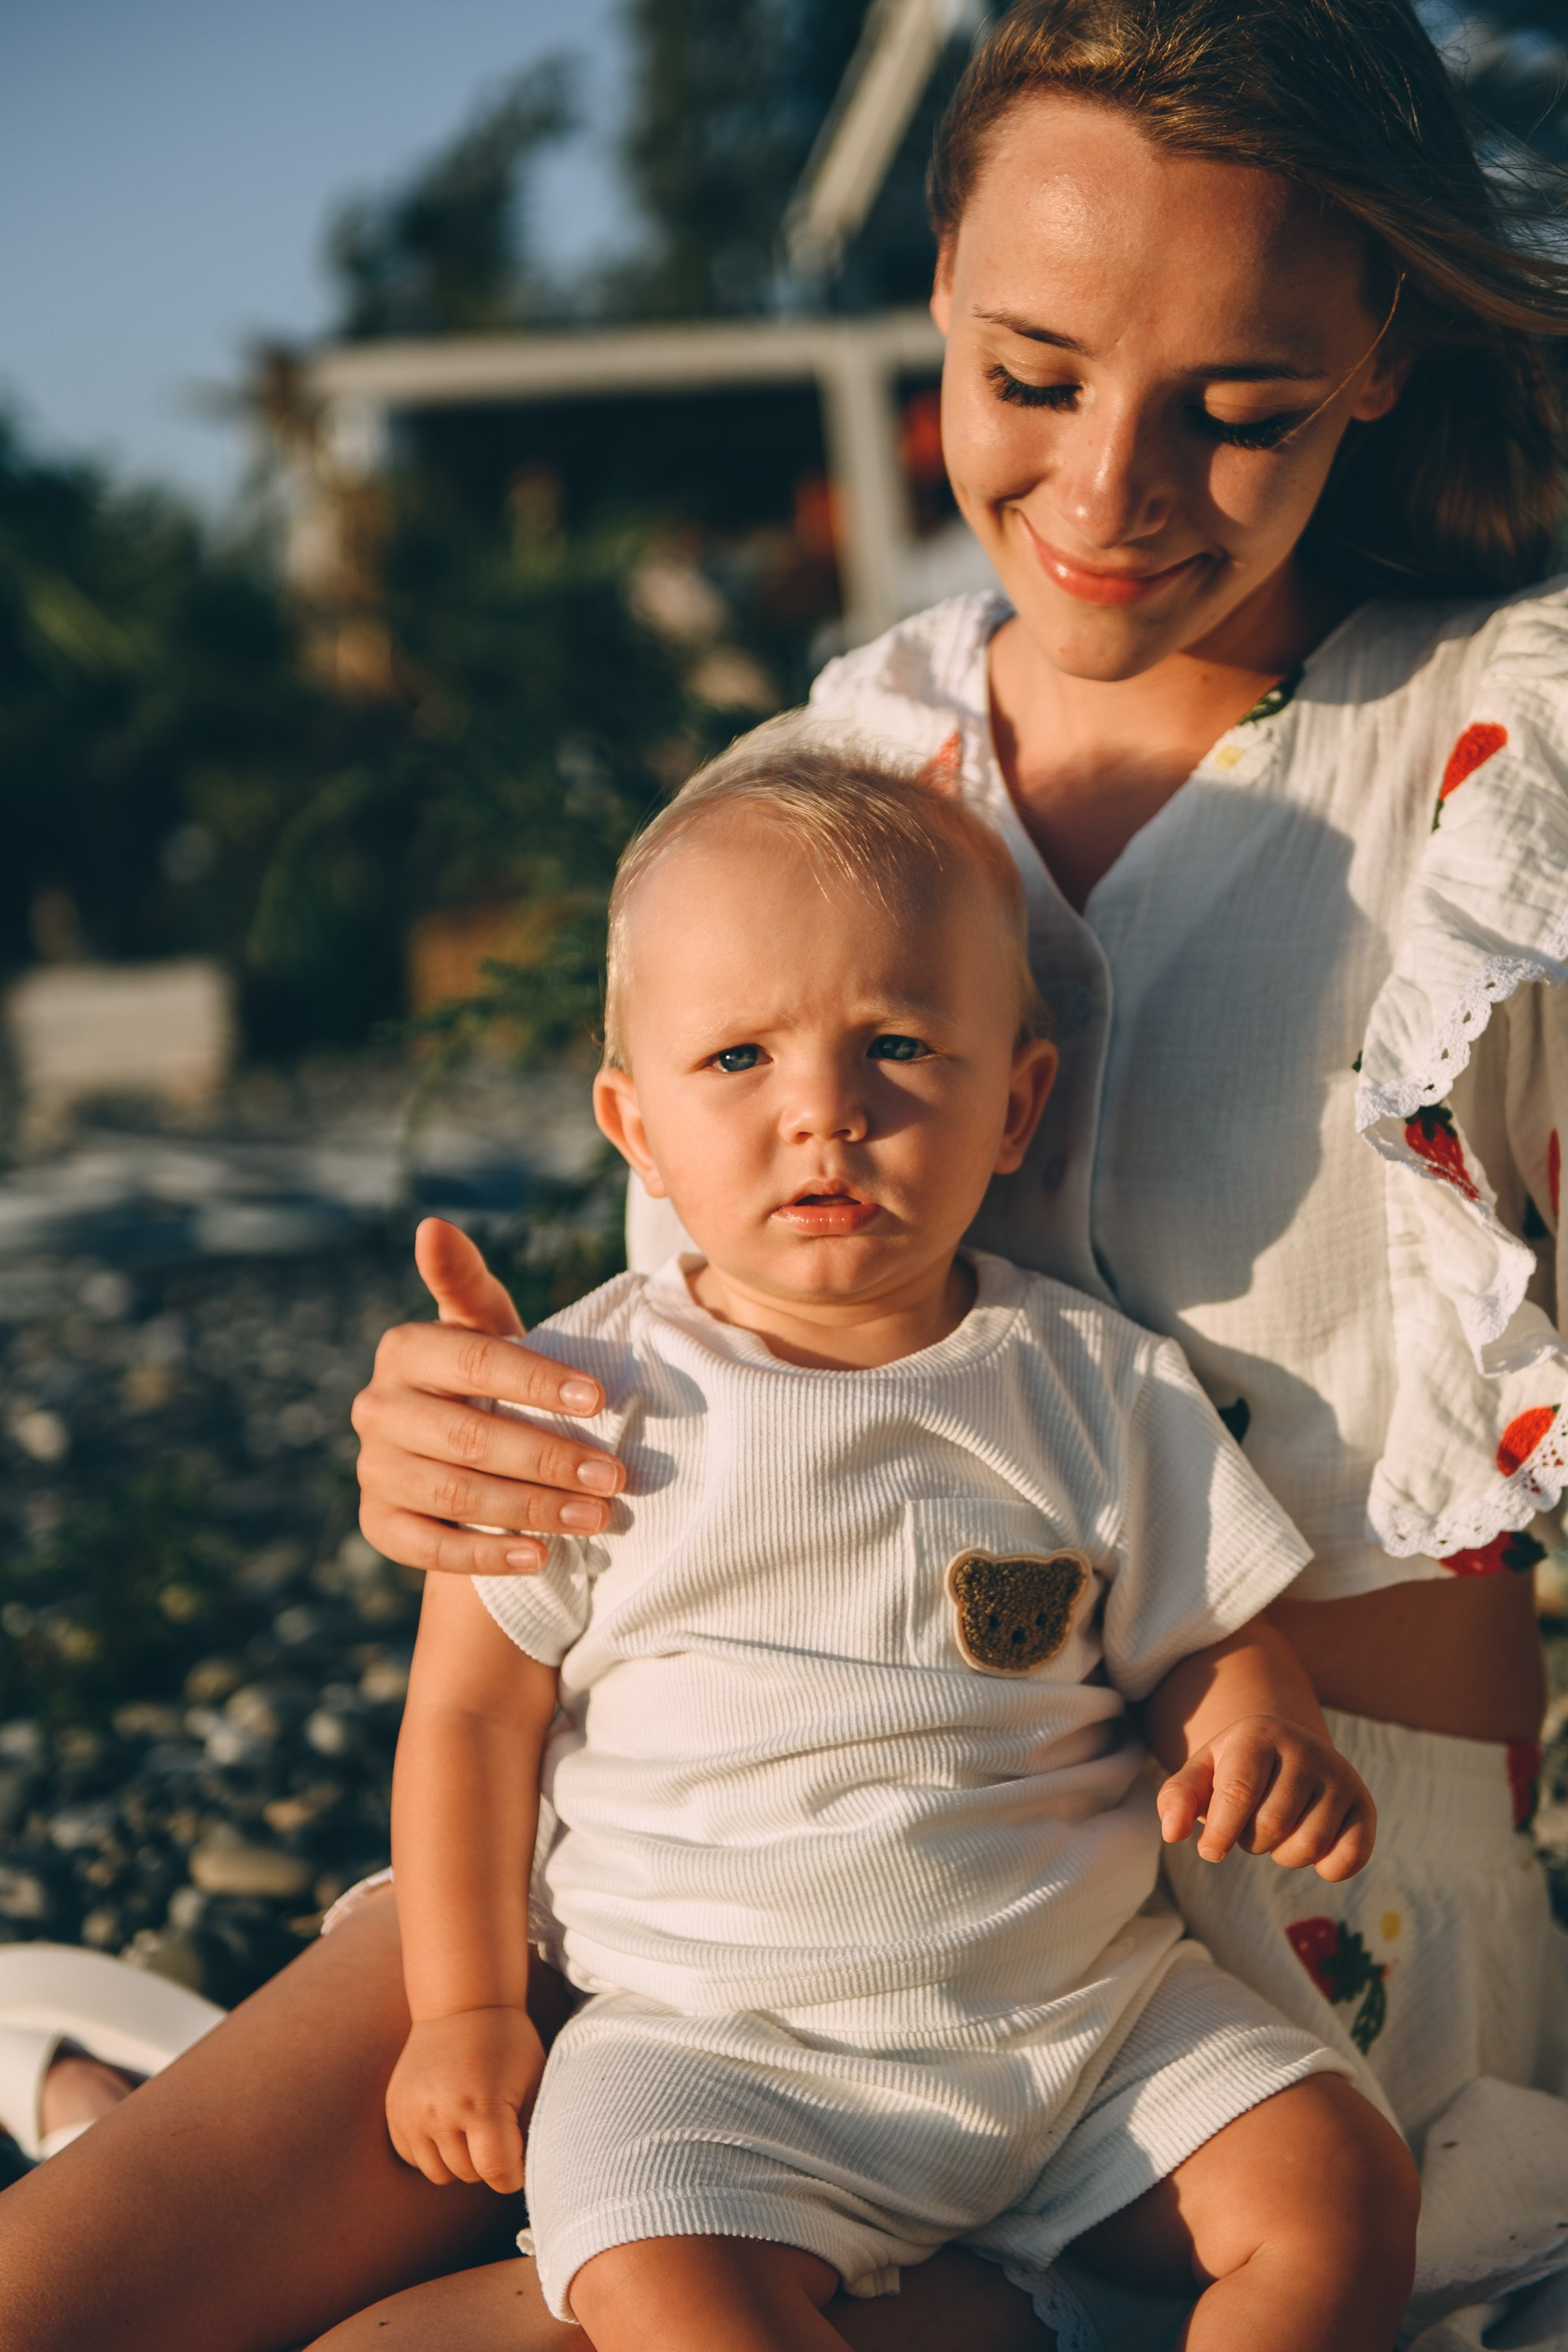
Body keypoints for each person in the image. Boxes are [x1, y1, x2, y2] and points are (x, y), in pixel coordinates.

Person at [0, 2, 1562, 2346]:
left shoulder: (1504, 767)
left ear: (1378, 357)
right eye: (1028, 374)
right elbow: (706, 1364)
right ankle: (131, 2097)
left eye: (1235, 408)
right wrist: (458, 1452)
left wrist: (1151, 1654)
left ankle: (111, 2073)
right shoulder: (829, 762)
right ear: (934, 294)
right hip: (689, 1890)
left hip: (1216, 1978)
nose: (1110, 484)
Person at [381, 731, 1413, 2352]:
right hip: (712, 2051)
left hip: (1083, 2023)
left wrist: (1256, 1728)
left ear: (1016, 1105)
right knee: (662, 2282)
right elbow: (467, 1713)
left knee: (1338, 2190)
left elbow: (1204, 1638)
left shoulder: (1089, 1379)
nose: (825, 1111)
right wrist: (463, 2005)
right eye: (739, 1057)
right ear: (634, 1128)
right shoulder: (588, 1399)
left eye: (898, 1046)